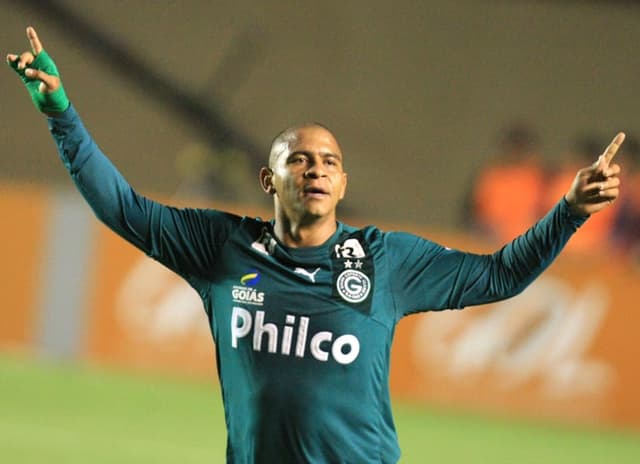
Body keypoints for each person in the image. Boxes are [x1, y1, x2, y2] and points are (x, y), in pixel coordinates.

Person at [7, 27, 625, 464]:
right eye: (298, 159)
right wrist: (61, 114)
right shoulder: (222, 247)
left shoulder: (387, 261)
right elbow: (122, 207)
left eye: (329, 160)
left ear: (344, 181)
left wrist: (567, 211)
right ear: (268, 179)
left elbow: (498, 276)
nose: (316, 169)